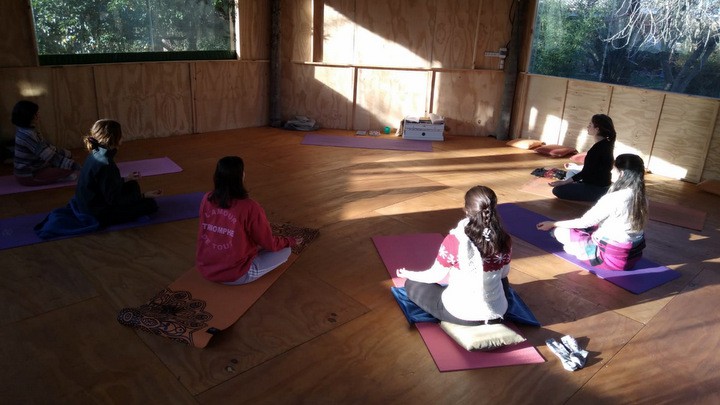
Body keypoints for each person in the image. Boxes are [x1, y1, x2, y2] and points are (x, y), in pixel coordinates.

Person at [395, 185, 512, 326]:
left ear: (466, 209)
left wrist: (409, 274)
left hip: (462, 315)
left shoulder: (455, 240)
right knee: (503, 280)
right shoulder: (504, 238)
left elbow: (434, 276)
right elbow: (504, 273)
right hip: (498, 313)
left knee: (412, 284)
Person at [196, 156, 302, 285]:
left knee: (254, 243)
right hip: (236, 275)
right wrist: (288, 241)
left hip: (205, 268)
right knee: (286, 251)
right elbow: (268, 242)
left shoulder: (207, 198)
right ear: (241, 176)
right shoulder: (250, 206)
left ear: (216, 176)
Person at [537, 154, 648, 271]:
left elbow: (584, 222)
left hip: (609, 259)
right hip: (632, 257)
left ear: (622, 174)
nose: (611, 171)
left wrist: (553, 224)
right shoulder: (642, 196)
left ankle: (580, 250)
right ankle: (581, 245)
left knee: (560, 232)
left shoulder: (614, 198)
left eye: (614, 168)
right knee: (592, 226)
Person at [74, 119, 161, 227]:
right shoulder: (106, 163)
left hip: (87, 203)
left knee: (132, 184)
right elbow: (113, 200)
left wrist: (126, 178)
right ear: (114, 138)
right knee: (150, 205)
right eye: (121, 135)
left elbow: (104, 184)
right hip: (97, 213)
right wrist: (143, 196)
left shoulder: (96, 152)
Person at [12, 100, 81, 186]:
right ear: (29, 116)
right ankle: (57, 177)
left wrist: (67, 154)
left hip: (35, 167)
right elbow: (50, 156)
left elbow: (47, 147)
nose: (38, 116)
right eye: (36, 114)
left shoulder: (28, 130)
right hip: (28, 175)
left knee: (68, 160)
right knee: (69, 168)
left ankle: (57, 173)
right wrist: (75, 165)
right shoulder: (27, 135)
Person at [549, 114, 616, 202]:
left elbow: (586, 173)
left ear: (597, 129)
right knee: (571, 172)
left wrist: (564, 182)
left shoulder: (598, 149)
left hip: (596, 188)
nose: (588, 126)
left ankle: (597, 194)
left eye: (590, 124)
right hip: (602, 182)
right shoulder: (607, 143)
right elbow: (593, 168)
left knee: (557, 190)